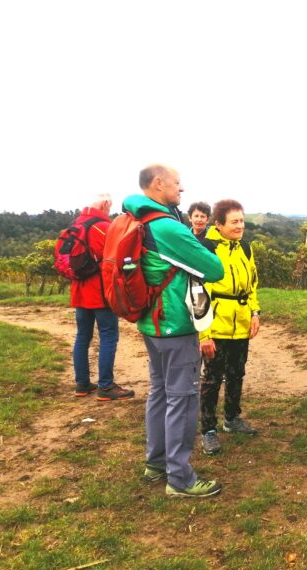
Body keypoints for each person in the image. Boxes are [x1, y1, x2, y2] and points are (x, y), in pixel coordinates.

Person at [123, 164, 225, 498]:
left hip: (151, 322)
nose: (182, 190)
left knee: (160, 392)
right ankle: (180, 479)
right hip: (175, 323)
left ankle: (157, 463)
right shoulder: (166, 227)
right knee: (181, 398)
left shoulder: (132, 218)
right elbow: (214, 269)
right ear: (158, 184)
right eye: (177, 184)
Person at [198, 199, 261, 455]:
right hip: (216, 325)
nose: (240, 226)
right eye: (234, 221)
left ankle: (232, 418)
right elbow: (199, 292)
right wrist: (204, 334)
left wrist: (255, 312)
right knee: (212, 379)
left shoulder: (244, 248)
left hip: (242, 322)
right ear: (219, 224)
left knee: (237, 373)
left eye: (242, 221)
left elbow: (253, 283)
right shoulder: (206, 248)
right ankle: (208, 430)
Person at [71, 194, 135, 401]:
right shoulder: (103, 227)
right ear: (106, 204)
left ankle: (82, 384)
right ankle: (106, 386)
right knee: (108, 335)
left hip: (79, 291)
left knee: (83, 336)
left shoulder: (76, 225)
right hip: (100, 292)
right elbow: (113, 258)